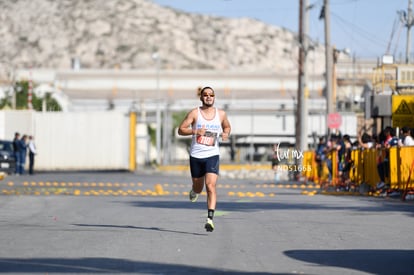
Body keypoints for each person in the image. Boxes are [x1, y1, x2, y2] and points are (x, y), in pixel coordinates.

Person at [178, 86, 231, 232]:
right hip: (196, 156)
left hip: (212, 155)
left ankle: (210, 219)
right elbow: (180, 129)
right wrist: (195, 131)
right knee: (198, 187)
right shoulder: (195, 113)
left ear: (214, 97)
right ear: (201, 97)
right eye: (205, 95)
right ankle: (194, 191)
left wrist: (226, 134)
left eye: (211, 95)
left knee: (210, 186)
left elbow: (227, 127)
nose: (208, 97)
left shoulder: (221, 114)